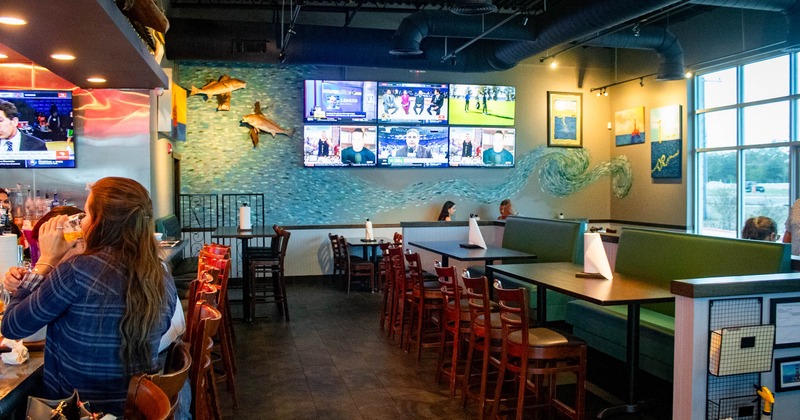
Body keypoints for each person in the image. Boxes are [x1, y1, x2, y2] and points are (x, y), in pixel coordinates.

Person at [1, 177, 178, 416]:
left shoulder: (78, 271)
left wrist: (47, 260)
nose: (81, 222)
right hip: (133, 409)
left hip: (76, 410)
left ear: (100, 222)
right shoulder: (160, 275)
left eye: (85, 214)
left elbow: (12, 327)